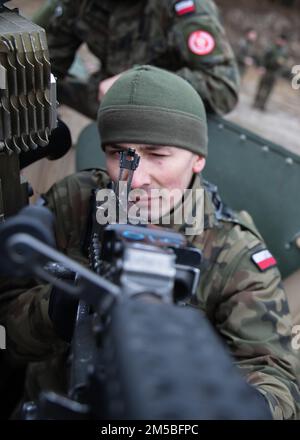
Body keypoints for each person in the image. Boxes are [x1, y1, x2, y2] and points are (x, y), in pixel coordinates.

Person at [0, 66, 299, 419]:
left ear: (198, 158)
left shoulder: (235, 255)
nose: (136, 178)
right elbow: (7, 324)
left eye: (157, 155)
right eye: (118, 154)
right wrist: (56, 309)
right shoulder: (78, 201)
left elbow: (277, 378)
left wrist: (239, 408)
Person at [45, 0, 239, 119]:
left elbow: (223, 87)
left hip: (160, 123)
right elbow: (49, 66)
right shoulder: (81, 4)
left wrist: (140, 83)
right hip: (103, 106)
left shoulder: (183, 7)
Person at [253, 34, 289, 111]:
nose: (281, 42)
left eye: (283, 41)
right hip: (267, 70)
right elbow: (264, 58)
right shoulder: (271, 48)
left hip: (275, 73)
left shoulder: (284, 51)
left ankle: (262, 104)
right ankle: (256, 102)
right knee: (261, 87)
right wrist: (261, 67)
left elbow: (284, 63)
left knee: (269, 90)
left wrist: (280, 68)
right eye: (280, 40)